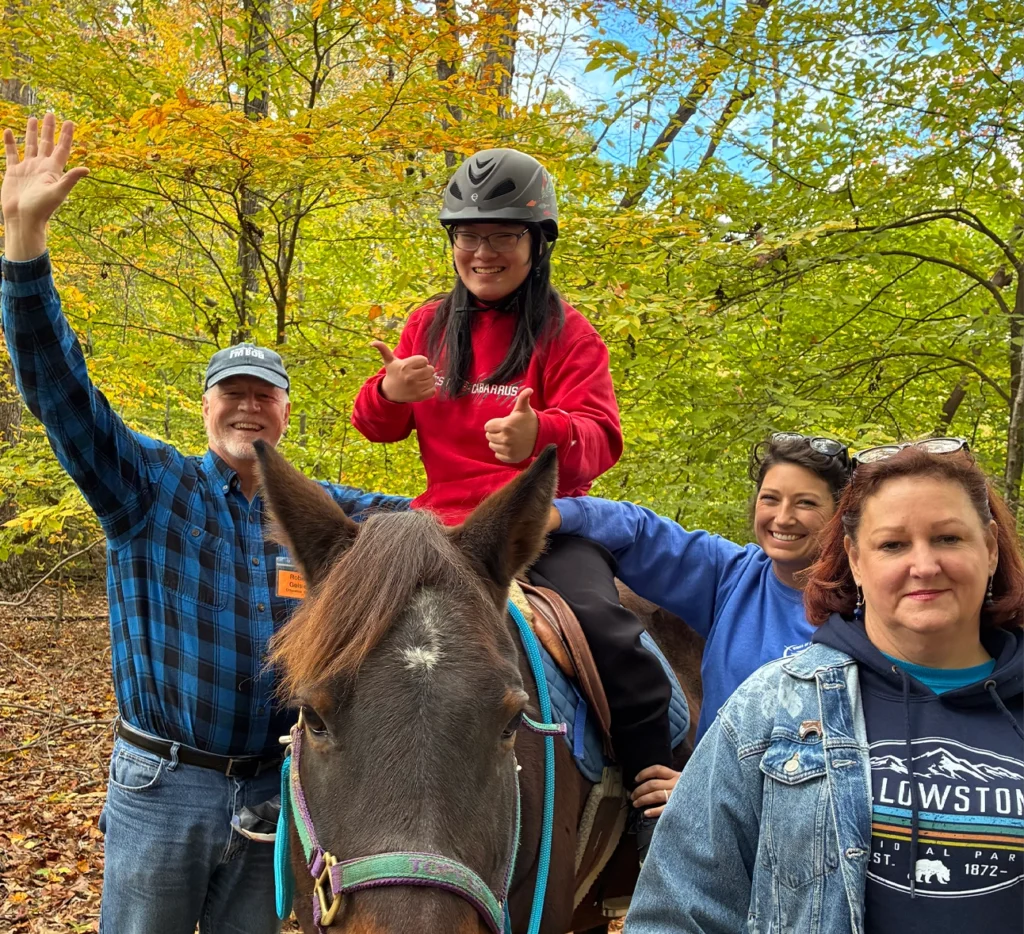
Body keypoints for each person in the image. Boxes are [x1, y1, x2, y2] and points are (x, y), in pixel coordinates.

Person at [1, 113, 408, 934]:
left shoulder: (328, 518)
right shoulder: (147, 486)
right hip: (164, 784)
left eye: (265, 394)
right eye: (234, 392)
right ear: (207, 407)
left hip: (276, 787)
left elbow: (440, 525)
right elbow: (59, 392)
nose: (249, 406)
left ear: (286, 412)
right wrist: (24, 244)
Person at [350, 147, 673, 855]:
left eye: (502, 235)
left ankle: (652, 811)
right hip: (438, 529)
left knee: (613, 637)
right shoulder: (428, 327)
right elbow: (375, 427)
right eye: (468, 235)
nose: (482, 250)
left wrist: (543, 434)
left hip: (539, 528)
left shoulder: (568, 332)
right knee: (336, 629)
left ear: (536, 243)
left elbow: (603, 437)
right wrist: (387, 395)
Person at [625, 439, 1024, 934]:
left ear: (988, 549)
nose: (923, 566)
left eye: (947, 538)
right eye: (893, 544)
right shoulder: (768, 708)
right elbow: (679, 914)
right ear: (856, 561)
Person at [546, 431, 852, 819]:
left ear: (839, 514)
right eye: (770, 499)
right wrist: (551, 513)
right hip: (715, 824)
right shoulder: (734, 577)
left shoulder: (863, 610)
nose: (782, 518)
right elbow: (639, 531)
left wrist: (703, 791)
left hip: (804, 833)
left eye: (806, 503)